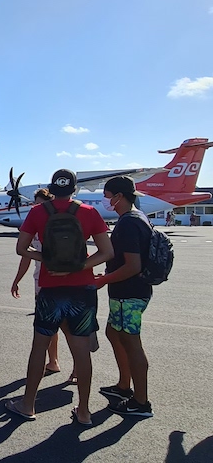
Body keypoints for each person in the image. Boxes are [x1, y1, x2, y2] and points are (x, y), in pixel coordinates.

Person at [7, 169, 113, 426]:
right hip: (82, 290)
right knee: (81, 351)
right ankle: (85, 411)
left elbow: (21, 248)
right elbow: (107, 252)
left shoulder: (37, 212)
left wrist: (47, 259)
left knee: (39, 347)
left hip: (50, 288)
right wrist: (78, 266)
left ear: (52, 188)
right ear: (75, 189)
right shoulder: (89, 212)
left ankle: (28, 404)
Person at [95, 176, 154, 418]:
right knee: (114, 333)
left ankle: (141, 402)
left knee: (131, 343)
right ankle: (123, 386)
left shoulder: (129, 223)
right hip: (126, 292)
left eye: (107, 196)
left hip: (129, 293)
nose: (105, 201)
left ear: (119, 196)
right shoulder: (136, 217)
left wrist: (102, 280)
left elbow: (132, 266)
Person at [11, 188, 62, 376]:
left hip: (47, 282)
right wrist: (17, 279)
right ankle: (53, 360)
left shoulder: (53, 223)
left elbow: (24, 251)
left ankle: (61, 367)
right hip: (42, 281)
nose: (37, 207)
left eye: (40, 204)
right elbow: (25, 255)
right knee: (53, 327)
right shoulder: (43, 222)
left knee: (50, 326)